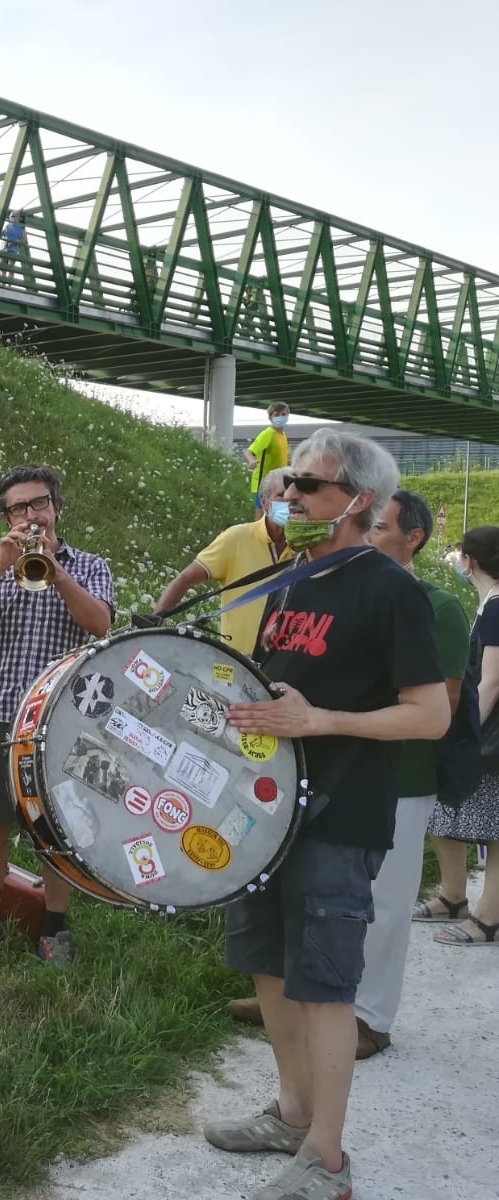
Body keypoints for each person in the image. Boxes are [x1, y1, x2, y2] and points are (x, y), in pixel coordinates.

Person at [203, 430, 448, 1200]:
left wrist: (321, 721)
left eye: (307, 485)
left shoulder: (392, 590)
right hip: (266, 813)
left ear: (359, 500)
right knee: (268, 966)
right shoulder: (293, 579)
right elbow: (279, 685)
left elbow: (431, 715)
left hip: (340, 816)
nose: (290, 495)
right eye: (288, 481)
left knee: (324, 985)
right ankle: (292, 1114)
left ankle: (328, 1160)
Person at [224, 489, 470, 1059]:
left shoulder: (431, 605)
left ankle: (369, 1017)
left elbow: (443, 704)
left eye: (379, 528)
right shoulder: (303, 586)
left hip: (397, 776)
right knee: (310, 910)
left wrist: (326, 720)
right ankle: (292, 1001)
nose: (367, 537)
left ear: (412, 539)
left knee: (377, 905)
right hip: (307, 778)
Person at [0, 465, 114, 966]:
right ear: (6, 518)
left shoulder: (90, 566)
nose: (30, 515)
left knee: (57, 827)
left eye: (38, 503)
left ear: (57, 508)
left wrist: (55, 571)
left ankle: (54, 926)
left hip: (63, 719)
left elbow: (100, 624)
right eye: (18, 508)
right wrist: (2, 567)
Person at [419, 523, 499, 948]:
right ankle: (453, 896)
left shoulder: (497, 608)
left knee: (494, 827)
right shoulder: (489, 603)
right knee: (445, 810)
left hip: (488, 735)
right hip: (485, 732)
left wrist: (460, 730)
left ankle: (489, 918)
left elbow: (492, 681)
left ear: (469, 561)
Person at [151, 471, 292, 656]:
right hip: (236, 660)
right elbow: (185, 579)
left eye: (294, 497)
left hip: (281, 661)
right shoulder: (237, 537)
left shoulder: (307, 549)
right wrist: (152, 627)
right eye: (282, 495)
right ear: (264, 501)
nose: (289, 503)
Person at [243, 403, 291, 508]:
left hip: (278, 483)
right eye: (276, 415)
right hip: (263, 484)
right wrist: (251, 461)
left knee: (274, 514)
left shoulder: (283, 435)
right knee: (262, 514)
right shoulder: (268, 434)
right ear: (270, 417)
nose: (280, 417)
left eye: (283, 414)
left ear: (288, 416)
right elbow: (248, 452)